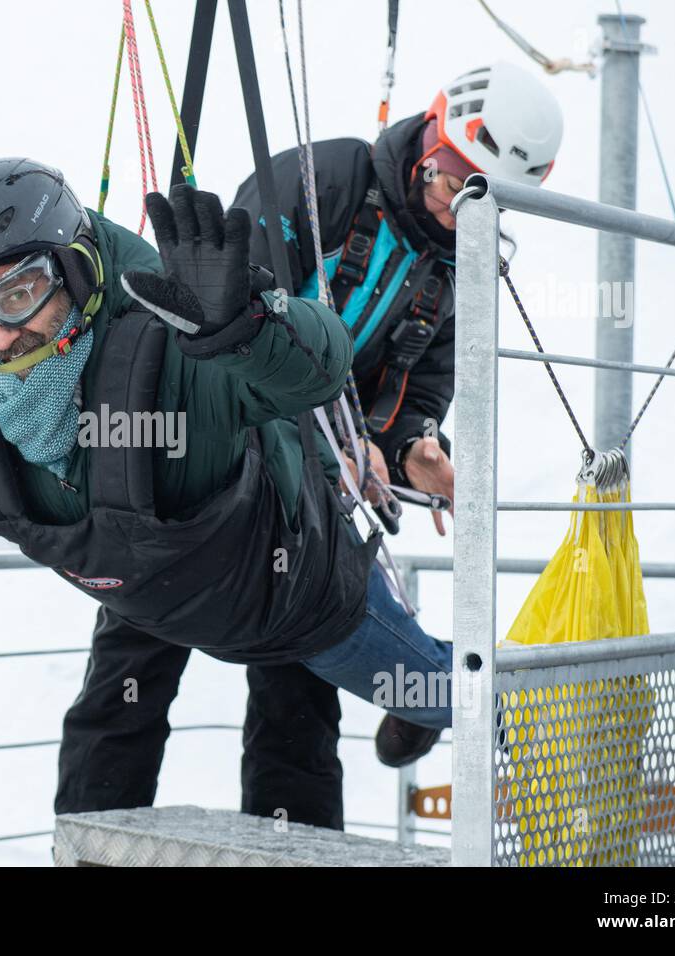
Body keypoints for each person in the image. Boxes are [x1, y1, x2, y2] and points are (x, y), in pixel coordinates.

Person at [0, 156, 455, 833]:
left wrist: (245, 329)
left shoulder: (174, 351)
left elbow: (314, 369)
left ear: (76, 269)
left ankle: (522, 718)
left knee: (421, 695)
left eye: (21, 292)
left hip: (295, 595)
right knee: (108, 727)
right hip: (149, 584)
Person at [53, 60, 564, 827]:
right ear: (429, 137)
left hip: (307, 501)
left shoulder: (456, 265)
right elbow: (236, 329)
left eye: (479, 200)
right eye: (450, 182)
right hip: (204, 457)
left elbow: (421, 383)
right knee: (135, 658)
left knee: (298, 683)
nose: (457, 210)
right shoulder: (324, 180)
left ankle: (322, 814)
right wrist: (336, 449)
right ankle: (92, 840)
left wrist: (412, 439)